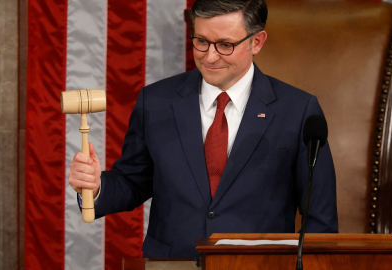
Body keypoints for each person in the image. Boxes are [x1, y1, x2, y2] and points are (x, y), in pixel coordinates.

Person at [68, 0, 338, 258]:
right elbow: (133, 181)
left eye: (225, 45)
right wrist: (96, 185)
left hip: (258, 264)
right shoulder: (157, 101)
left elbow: (320, 220)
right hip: (172, 263)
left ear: (257, 42)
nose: (210, 56)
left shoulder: (298, 110)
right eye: (201, 41)